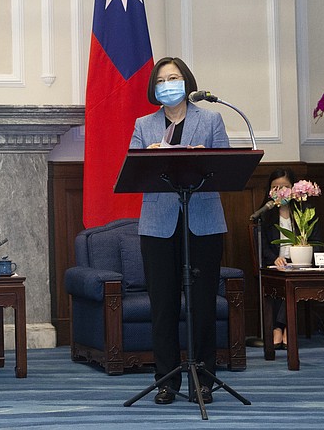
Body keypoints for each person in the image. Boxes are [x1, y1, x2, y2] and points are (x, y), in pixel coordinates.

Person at [129, 56, 230, 406]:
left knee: (202, 303)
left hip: (203, 222)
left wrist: (206, 160)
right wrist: (151, 157)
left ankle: (204, 379)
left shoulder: (211, 119)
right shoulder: (144, 125)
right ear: (154, 89)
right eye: (161, 80)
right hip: (158, 224)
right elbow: (134, 174)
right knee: (164, 304)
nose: (168, 84)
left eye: (173, 78)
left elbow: (227, 170)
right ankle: (167, 380)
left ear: (187, 82)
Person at [257, 167, 321, 349]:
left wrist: (304, 253)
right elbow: (262, 246)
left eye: (284, 187)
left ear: (293, 188)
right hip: (276, 264)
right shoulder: (265, 214)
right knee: (282, 277)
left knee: (292, 279)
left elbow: (316, 241)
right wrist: (274, 259)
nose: (279, 192)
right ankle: (282, 329)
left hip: (301, 263)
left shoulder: (305, 211)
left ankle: (279, 328)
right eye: (274, 188)